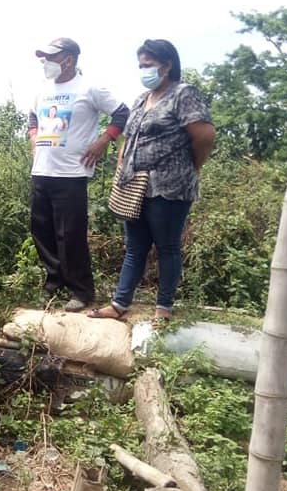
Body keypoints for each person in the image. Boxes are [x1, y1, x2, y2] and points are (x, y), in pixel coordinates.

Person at [90, 39, 215, 322]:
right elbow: (129, 138)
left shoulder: (183, 94)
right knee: (134, 247)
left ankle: (163, 308)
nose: (143, 70)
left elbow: (204, 137)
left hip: (170, 186)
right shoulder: (140, 99)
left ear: (167, 65)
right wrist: (120, 169)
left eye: (148, 64)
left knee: (166, 246)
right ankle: (119, 304)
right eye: (141, 66)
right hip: (135, 184)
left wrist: (192, 167)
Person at [28, 37, 130, 312]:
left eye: (51, 57)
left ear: (68, 59)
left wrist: (103, 141)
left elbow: (122, 113)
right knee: (42, 231)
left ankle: (81, 290)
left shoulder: (89, 87)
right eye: (44, 58)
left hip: (71, 173)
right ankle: (54, 283)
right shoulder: (42, 89)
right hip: (42, 170)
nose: (46, 63)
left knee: (70, 234)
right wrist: (33, 135)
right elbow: (33, 116)